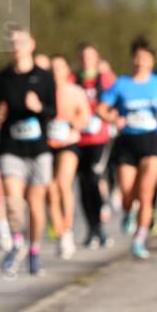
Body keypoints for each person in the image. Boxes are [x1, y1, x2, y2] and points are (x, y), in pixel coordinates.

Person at [100, 37, 157, 260]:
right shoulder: (122, 84)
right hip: (127, 144)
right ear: (132, 59)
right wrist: (113, 117)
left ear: (151, 61)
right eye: (137, 57)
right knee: (126, 192)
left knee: (145, 193)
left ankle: (140, 239)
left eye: (145, 58)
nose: (140, 62)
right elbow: (102, 108)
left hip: (151, 142)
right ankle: (127, 212)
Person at [0, 27, 56, 276]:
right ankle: (18, 241)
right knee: (13, 202)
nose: (16, 45)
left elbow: (53, 111)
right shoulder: (2, 78)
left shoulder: (44, 76)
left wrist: (39, 107)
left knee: (36, 204)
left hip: (39, 149)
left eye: (21, 41)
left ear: (32, 44)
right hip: (11, 147)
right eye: (12, 41)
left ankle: (35, 251)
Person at [47, 54, 91, 260]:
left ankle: (68, 226)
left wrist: (73, 122)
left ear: (67, 71)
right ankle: (60, 233)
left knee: (62, 184)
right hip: (47, 144)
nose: (56, 71)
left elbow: (86, 116)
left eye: (59, 67)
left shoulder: (75, 91)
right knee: (50, 189)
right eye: (52, 68)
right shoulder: (43, 91)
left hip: (70, 143)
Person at [75, 42, 115, 249]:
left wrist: (107, 116)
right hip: (78, 138)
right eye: (83, 55)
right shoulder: (73, 80)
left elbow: (116, 102)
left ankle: (100, 225)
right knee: (83, 184)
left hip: (99, 137)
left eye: (91, 55)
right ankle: (91, 227)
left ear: (97, 57)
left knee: (94, 177)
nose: (87, 59)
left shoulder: (106, 80)